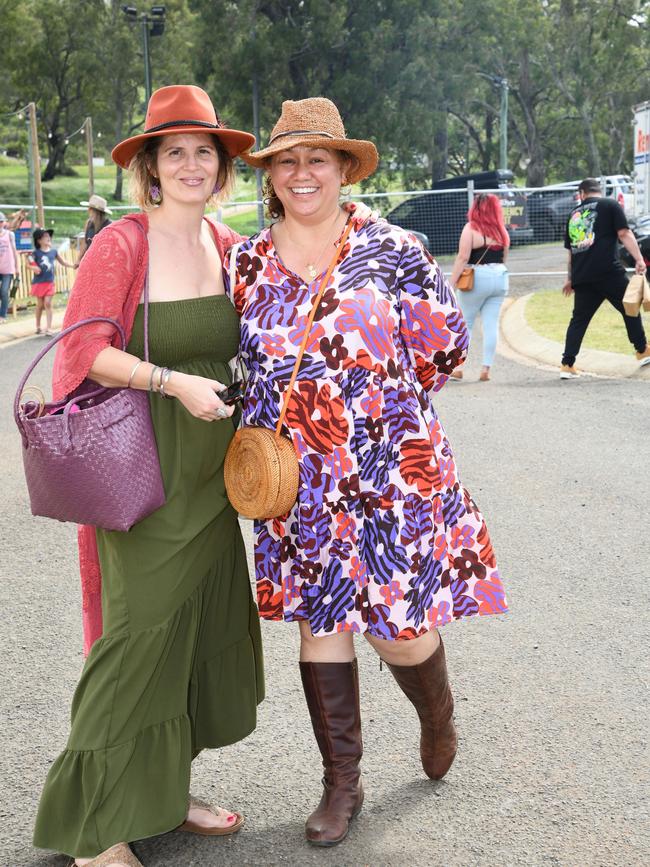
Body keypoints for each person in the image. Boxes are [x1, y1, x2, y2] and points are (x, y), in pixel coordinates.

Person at [228, 97, 508, 848]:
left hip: (391, 474)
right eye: (287, 160)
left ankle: (436, 710)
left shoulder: (393, 248)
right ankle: (341, 783)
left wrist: (370, 407)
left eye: (318, 158)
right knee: (322, 622)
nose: (301, 172)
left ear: (345, 168)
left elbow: (443, 345)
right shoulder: (247, 262)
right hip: (301, 486)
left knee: (401, 630)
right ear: (271, 176)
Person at [33, 85, 264, 867]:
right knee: (135, 641)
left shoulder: (229, 247)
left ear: (223, 167)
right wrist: (172, 382)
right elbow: (79, 354)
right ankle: (95, 828)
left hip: (213, 477)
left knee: (191, 634)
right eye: (177, 152)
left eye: (206, 151)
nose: (193, 163)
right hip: (143, 471)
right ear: (152, 169)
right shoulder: (121, 245)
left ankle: (165, 791)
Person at [560, 177, 649, 379]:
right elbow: (624, 233)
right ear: (597, 190)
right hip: (608, 271)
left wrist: (570, 278)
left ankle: (567, 364)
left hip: (582, 276)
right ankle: (642, 349)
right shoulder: (610, 205)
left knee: (579, 320)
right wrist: (639, 259)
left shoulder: (573, 214)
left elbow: (571, 251)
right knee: (631, 306)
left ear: (582, 193)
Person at [449, 193, 510, 381]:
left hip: (478, 278)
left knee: (465, 323)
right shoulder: (502, 231)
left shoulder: (470, 229)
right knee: (491, 324)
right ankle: (486, 369)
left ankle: (458, 367)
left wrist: (451, 283)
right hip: (501, 277)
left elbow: (463, 257)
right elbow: (504, 257)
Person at [27, 228, 76, 335]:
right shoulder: (35, 253)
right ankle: (38, 326)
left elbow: (63, 262)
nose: (48, 238)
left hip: (49, 282)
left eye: (49, 236)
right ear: (39, 240)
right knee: (40, 305)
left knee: (48, 303)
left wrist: (73, 265)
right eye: (45, 236)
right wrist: (33, 268)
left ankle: (49, 327)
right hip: (39, 282)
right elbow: (28, 264)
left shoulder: (54, 252)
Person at [78, 193, 113, 260]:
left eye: (90, 208)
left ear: (98, 212)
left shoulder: (109, 227)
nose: (88, 210)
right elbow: (85, 243)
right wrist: (78, 260)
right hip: (89, 260)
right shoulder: (88, 223)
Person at [0, 210, 19, 322]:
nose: (0, 224)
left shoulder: (9, 234)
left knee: (4, 291)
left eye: (1, 221)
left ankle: (2, 315)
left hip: (8, 269)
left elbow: (14, 251)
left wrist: (17, 268)